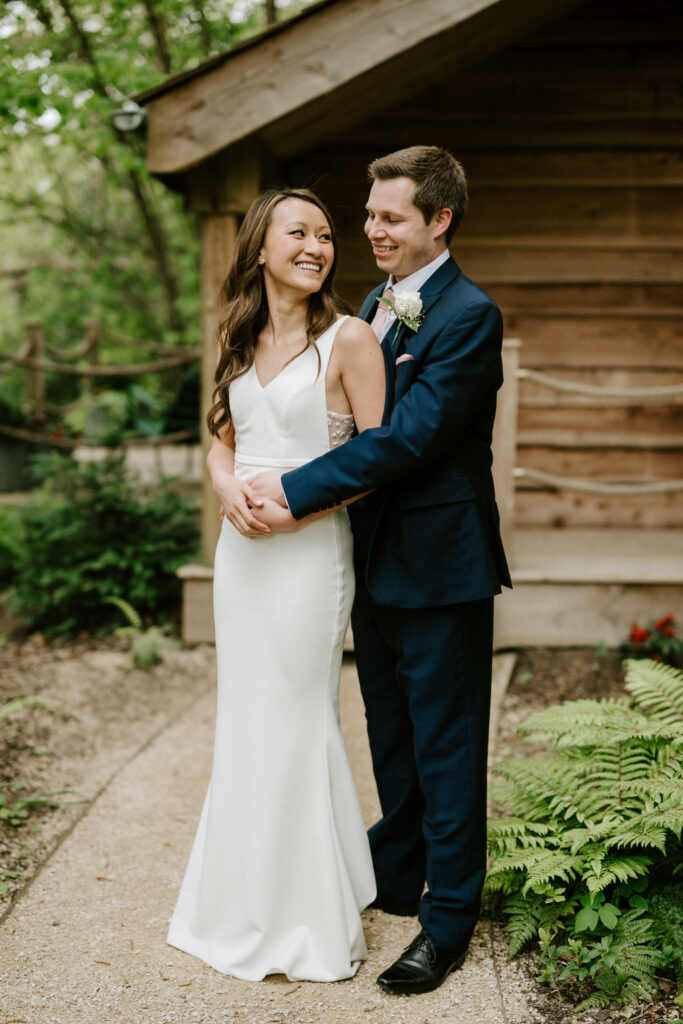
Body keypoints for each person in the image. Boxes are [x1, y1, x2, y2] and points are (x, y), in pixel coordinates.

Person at [246, 146, 512, 995]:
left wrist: (291, 490)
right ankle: (396, 872)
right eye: (368, 216)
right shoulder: (373, 303)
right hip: (371, 556)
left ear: (438, 220)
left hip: (442, 563)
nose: (371, 231)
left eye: (390, 217)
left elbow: (406, 439)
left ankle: (447, 920)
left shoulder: (470, 315)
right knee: (390, 732)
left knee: (446, 741)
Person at [166, 187, 386, 982]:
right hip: (242, 556)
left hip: (307, 549)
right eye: (299, 232)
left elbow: (379, 457)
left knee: (295, 712)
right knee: (249, 716)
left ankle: (304, 914)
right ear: (261, 246)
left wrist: (297, 508)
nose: (317, 246)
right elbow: (223, 441)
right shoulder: (238, 334)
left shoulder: (351, 339)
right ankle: (252, 889)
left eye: (326, 236)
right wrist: (225, 489)